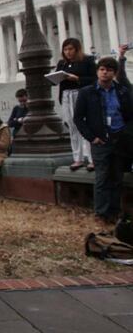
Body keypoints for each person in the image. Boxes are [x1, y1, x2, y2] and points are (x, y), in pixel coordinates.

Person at [74, 56, 133, 226]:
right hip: (101, 141)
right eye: (101, 69)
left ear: (114, 73)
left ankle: (114, 212)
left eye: (108, 70)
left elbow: (130, 116)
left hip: (120, 139)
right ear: (97, 71)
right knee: (101, 178)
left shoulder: (122, 91)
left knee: (117, 178)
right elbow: (78, 118)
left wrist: (125, 133)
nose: (104, 72)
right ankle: (101, 213)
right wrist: (92, 137)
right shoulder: (87, 92)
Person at [56, 38, 97, 171]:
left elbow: (94, 79)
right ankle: (77, 158)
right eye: (65, 49)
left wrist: (78, 79)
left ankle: (91, 159)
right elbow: (55, 81)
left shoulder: (87, 61)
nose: (68, 52)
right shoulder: (62, 64)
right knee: (72, 127)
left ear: (77, 49)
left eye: (70, 49)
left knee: (84, 125)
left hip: (81, 94)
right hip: (67, 95)